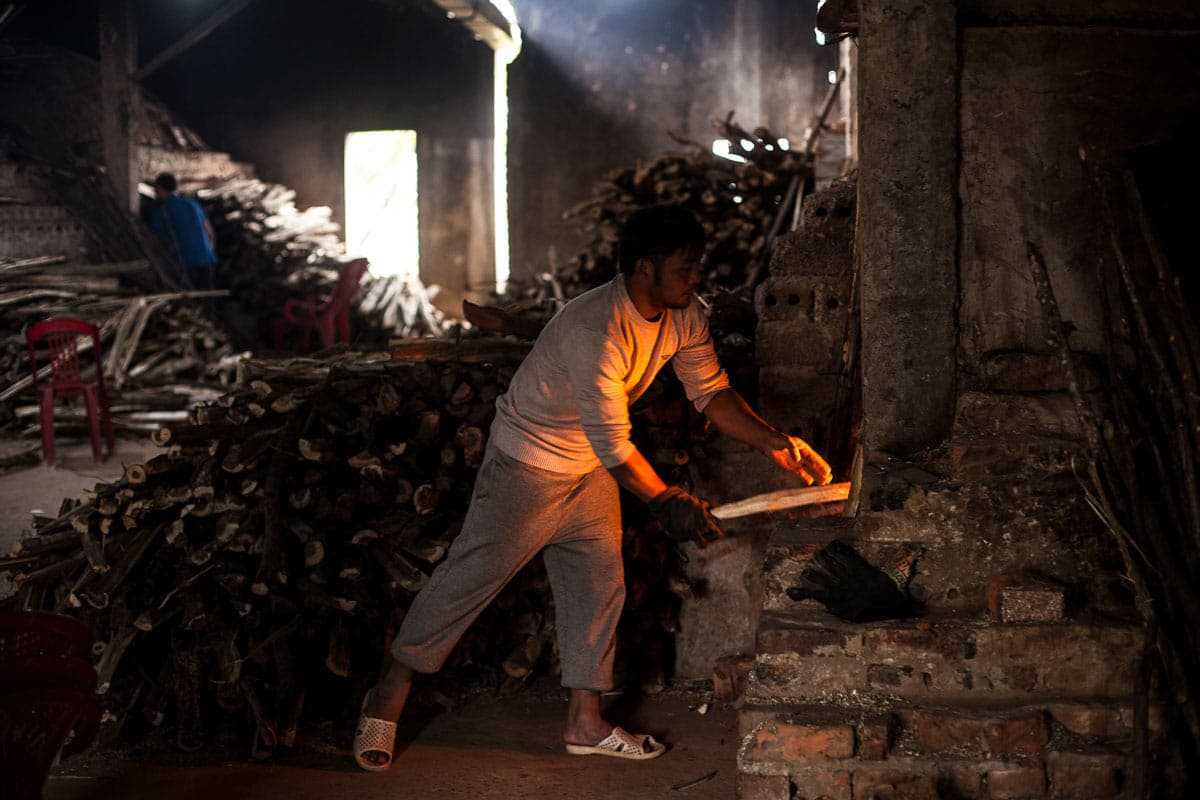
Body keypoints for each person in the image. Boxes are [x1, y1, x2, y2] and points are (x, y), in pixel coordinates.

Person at [353, 204, 833, 770]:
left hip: (588, 469)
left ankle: (584, 721)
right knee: (468, 580)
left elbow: (710, 391)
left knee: (598, 586)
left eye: (696, 267)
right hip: (528, 465)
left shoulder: (686, 314)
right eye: (684, 268)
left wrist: (776, 443)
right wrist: (665, 500)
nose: (694, 278)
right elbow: (615, 441)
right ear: (642, 267)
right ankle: (389, 690)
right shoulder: (595, 328)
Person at [149, 172, 218, 290]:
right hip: (207, 259)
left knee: (190, 302)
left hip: (186, 263)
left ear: (160, 189)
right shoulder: (193, 204)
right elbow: (210, 233)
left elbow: (157, 242)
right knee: (207, 298)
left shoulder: (163, 212)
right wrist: (207, 252)